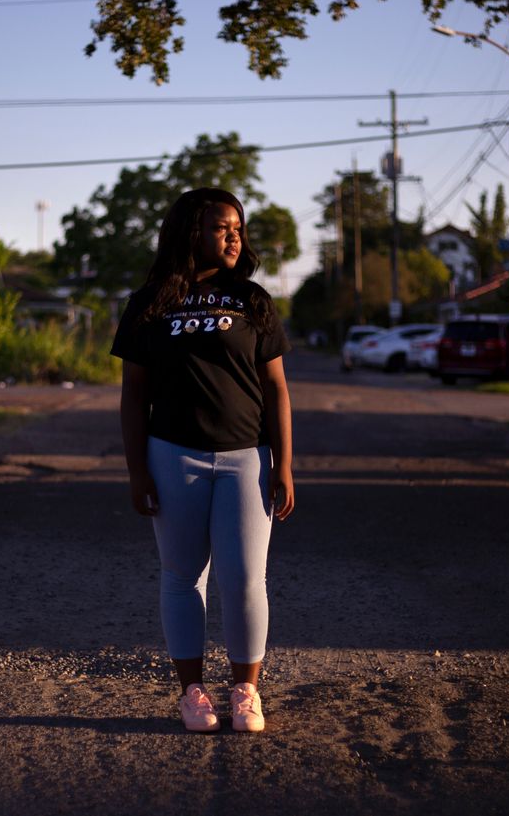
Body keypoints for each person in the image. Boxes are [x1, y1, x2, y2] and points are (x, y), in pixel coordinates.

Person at [111, 187, 294, 733]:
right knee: (182, 577)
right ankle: (192, 693)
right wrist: (137, 469)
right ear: (192, 232)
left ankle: (246, 692)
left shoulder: (253, 302)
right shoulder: (148, 304)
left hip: (246, 458)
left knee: (244, 580)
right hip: (172, 456)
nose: (235, 236)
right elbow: (132, 395)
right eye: (222, 227)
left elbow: (277, 390)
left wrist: (282, 465)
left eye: (239, 227)